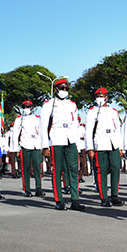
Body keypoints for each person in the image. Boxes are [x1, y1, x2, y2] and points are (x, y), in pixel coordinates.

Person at [40, 79, 86, 211]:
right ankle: (58, 200)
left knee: (73, 169)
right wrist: (45, 146)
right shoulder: (48, 105)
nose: (64, 91)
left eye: (66, 89)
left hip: (70, 140)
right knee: (57, 170)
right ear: (56, 89)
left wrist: (76, 143)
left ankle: (75, 200)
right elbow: (43, 126)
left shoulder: (72, 104)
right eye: (61, 88)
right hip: (56, 140)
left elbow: (75, 125)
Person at [86, 88, 125, 207]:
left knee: (115, 169)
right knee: (101, 171)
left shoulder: (113, 111)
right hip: (100, 143)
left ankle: (115, 196)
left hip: (113, 143)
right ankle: (104, 197)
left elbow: (118, 129)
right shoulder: (92, 111)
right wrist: (90, 148)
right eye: (98, 96)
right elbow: (88, 131)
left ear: (107, 97)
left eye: (102, 96)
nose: (100, 98)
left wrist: (121, 147)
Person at [13, 100, 45, 197]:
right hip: (25, 144)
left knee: (37, 167)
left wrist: (43, 146)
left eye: (28, 107)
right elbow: (15, 134)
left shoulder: (37, 118)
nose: (26, 109)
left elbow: (42, 132)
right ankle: (27, 189)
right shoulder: (19, 119)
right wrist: (16, 149)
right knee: (25, 168)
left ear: (32, 108)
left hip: (36, 145)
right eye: (25, 107)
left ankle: (38, 188)